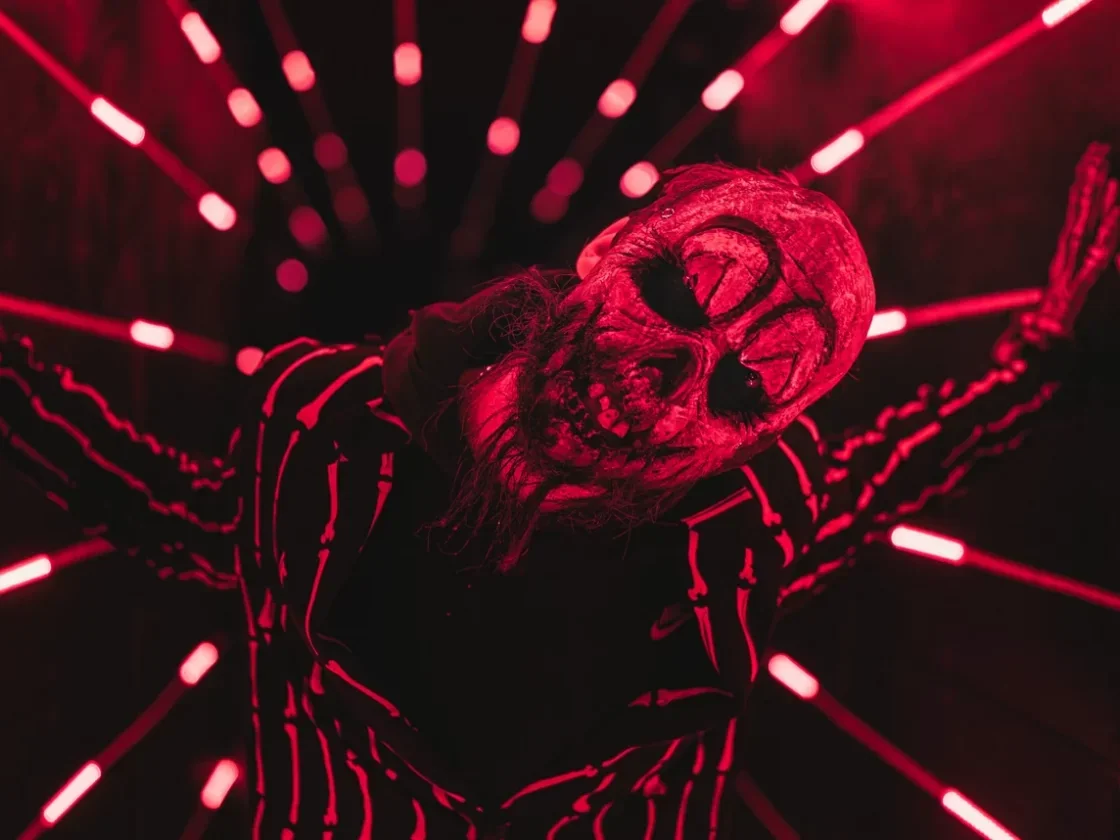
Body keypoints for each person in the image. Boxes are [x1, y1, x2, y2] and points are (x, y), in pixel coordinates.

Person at [1, 144, 1116, 839]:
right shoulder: (318, 431)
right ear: (609, 248)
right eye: (677, 293)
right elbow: (170, 510)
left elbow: (876, 481)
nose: (667, 386)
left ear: (761, 440)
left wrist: (1040, 364)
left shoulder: (746, 529)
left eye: (744, 387)